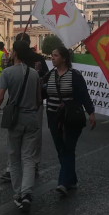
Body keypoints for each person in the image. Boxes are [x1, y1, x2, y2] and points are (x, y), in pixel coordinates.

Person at [0, 40, 41, 210]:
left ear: (15, 53)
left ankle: (18, 194)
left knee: (14, 159)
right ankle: (27, 193)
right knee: (29, 158)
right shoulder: (34, 73)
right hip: (32, 118)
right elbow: (39, 99)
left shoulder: (7, 72)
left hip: (16, 120)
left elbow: (0, 98)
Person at [42, 45, 96, 196]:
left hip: (71, 118)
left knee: (68, 148)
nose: (52, 58)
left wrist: (91, 113)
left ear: (64, 59)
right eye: (52, 55)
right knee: (60, 148)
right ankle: (71, 179)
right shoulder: (49, 74)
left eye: (55, 55)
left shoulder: (75, 75)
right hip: (53, 117)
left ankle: (63, 182)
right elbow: (43, 92)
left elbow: (84, 95)